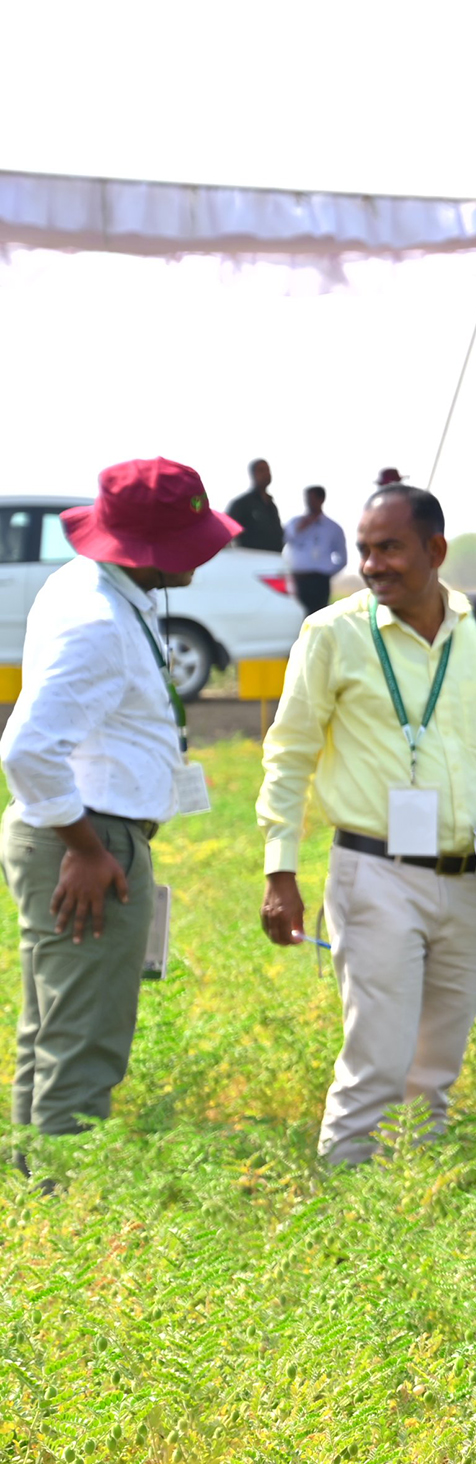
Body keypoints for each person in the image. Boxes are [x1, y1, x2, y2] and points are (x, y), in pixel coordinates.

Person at [255, 483, 476, 1164]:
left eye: (389, 548)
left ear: (436, 549)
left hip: (469, 877)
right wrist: (280, 868)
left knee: (436, 1067)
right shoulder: (332, 634)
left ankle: (413, 1196)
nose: (372, 564)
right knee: (377, 1059)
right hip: (374, 872)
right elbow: (288, 753)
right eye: (365, 550)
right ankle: (347, 1206)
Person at [1, 459, 237, 1146]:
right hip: (85, 840)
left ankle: (35, 1192)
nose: (207, 549)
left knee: (48, 1030)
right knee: (83, 1045)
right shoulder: (100, 621)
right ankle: (68, 1207)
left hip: (75, 830)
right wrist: (86, 849)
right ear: (153, 548)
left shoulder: (86, 583)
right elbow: (25, 748)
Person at [281, 485, 347, 616]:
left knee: (319, 617)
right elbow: (282, 541)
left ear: (321, 499)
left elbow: (343, 558)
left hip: (319, 581)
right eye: (307, 499)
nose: (309, 503)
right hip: (296, 579)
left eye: (312, 499)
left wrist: (325, 574)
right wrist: (301, 527)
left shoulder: (333, 528)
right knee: (295, 616)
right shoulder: (294, 523)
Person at [226, 459, 284, 553]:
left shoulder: (271, 504)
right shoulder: (242, 503)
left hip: (275, 559)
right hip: (252, 560)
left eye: (268, 470)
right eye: (261, 470)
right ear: (253, 474)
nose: (266, 474)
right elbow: (227, 530)